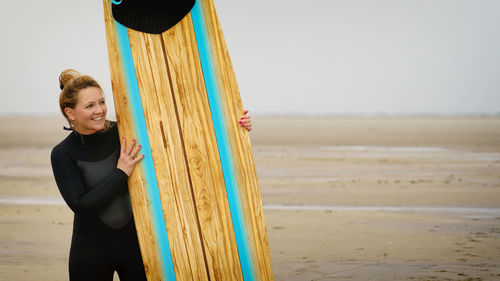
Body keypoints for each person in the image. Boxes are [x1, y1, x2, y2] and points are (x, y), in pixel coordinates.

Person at [50, 69, 253, 281]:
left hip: (138, 248)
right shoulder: (63, 153)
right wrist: (121, 173)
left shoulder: (124, 133)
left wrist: (235, 125)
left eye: (101, 102)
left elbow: (184, 139)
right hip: (90, 252)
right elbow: (82, 205)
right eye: (90, 105)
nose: (100, 110)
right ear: (70, 113)